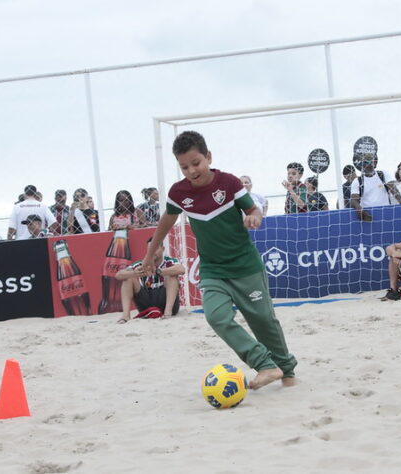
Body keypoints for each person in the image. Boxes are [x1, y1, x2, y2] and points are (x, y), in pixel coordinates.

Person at [143, 131, 297, 390]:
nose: (191, 170)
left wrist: (254, 217)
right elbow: (167, 220)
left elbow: (252, 209)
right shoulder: (179, 192)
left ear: (208, 157)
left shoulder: (228, 183)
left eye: (196, 163)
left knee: (263, 321)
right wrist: (150, 252)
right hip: (213, 269)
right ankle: (264, 364)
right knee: (216, 317)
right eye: (184, 167)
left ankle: (287, 371)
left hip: (245, 265)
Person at [116, 237, 185, 323]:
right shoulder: (142, 264)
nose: (152, 252)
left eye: (155, 248)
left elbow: (182, 269)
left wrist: (158, 271)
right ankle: (125, 316)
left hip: (167, 301)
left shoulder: (169, 261)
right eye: (150, 249)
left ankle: (167, 314)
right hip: (147, 303)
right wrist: (135, 273)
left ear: (163, 249)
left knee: (172, 276)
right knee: (128, 278)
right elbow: (118, 275)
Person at [350, 153, 393, 221]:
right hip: (368, 215)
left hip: (386, 213)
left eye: (370, 162)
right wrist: (359, 208)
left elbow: (393, 188)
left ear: (375, 163)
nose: (368, 164)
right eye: (365, 162)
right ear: (361, 165)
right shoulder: (357, 181)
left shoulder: (383, 174)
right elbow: (354, 200)